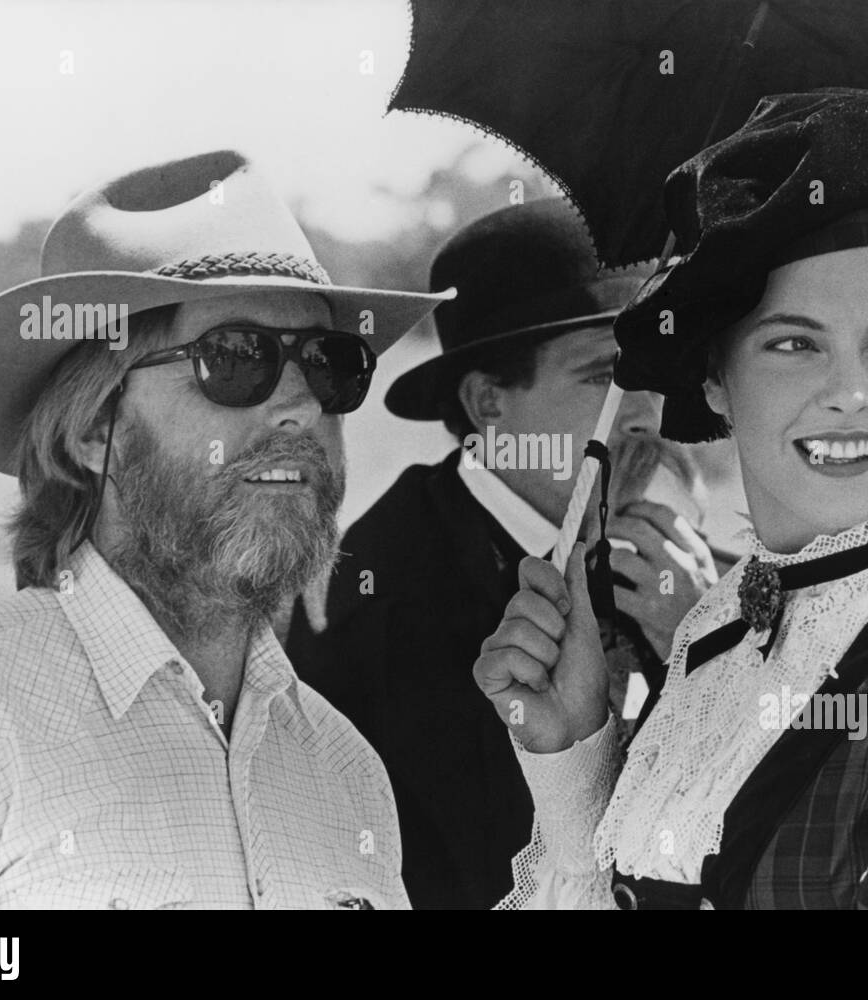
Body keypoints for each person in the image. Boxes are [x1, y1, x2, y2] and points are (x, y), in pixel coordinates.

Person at [474, 83, 868, 909]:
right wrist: (573, 756)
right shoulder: (714, 636)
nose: (850, 393)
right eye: (793, 344)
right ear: (714, 378)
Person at [0, 150, 452, 908]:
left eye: (331, 363)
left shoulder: (346, 770)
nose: (302, 406)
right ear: (93, 426)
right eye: (239, 358)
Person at [287, 198, 728, 908]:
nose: (645, 411)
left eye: (652, 375)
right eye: (605, 379)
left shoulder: (705, 578)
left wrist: (713, 661)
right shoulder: (371, 607)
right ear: (489, 402)